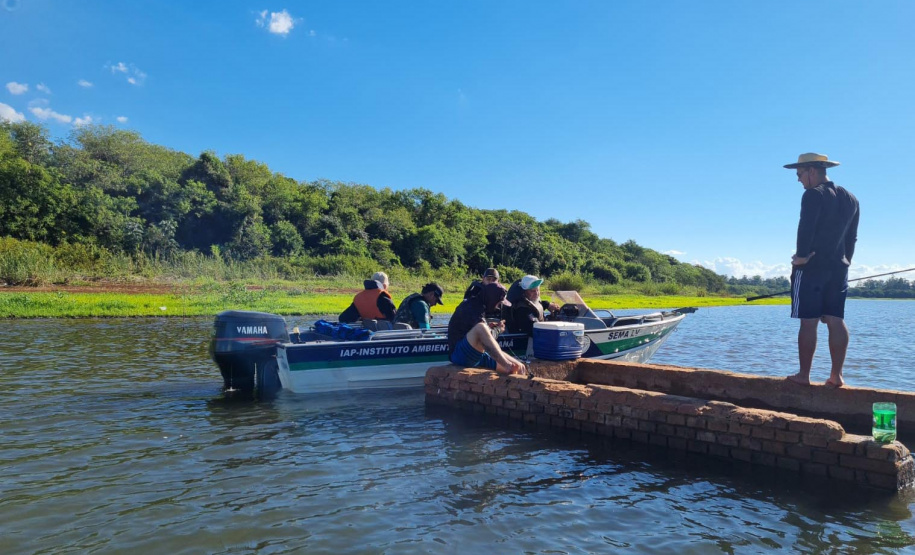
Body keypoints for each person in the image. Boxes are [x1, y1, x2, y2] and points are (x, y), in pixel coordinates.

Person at [783, 153, 859, 388]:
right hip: (839, 268)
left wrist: (801, 257)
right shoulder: (851, 198)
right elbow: (852, 238)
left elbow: (805, 227)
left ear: (811, 171)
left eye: (799, 174)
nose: (798, 179)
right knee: (836, 319)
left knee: (808, 322)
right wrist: (846, 261)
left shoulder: (813, 194)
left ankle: (803, 375)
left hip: (812, 268)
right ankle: (836, 376)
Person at [448, 282, 526, 375]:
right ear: (493, 299)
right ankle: (506, 365)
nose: (498, 307)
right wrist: (498, 330)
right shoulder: (471, 306)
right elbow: (480, 330)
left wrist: (490, 329)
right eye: (499, 303)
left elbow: (486, 340)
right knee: (481, 327)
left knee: (518, 366)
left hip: (476, 353)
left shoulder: (481, 306)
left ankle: (511, 368)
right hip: (459, 354)